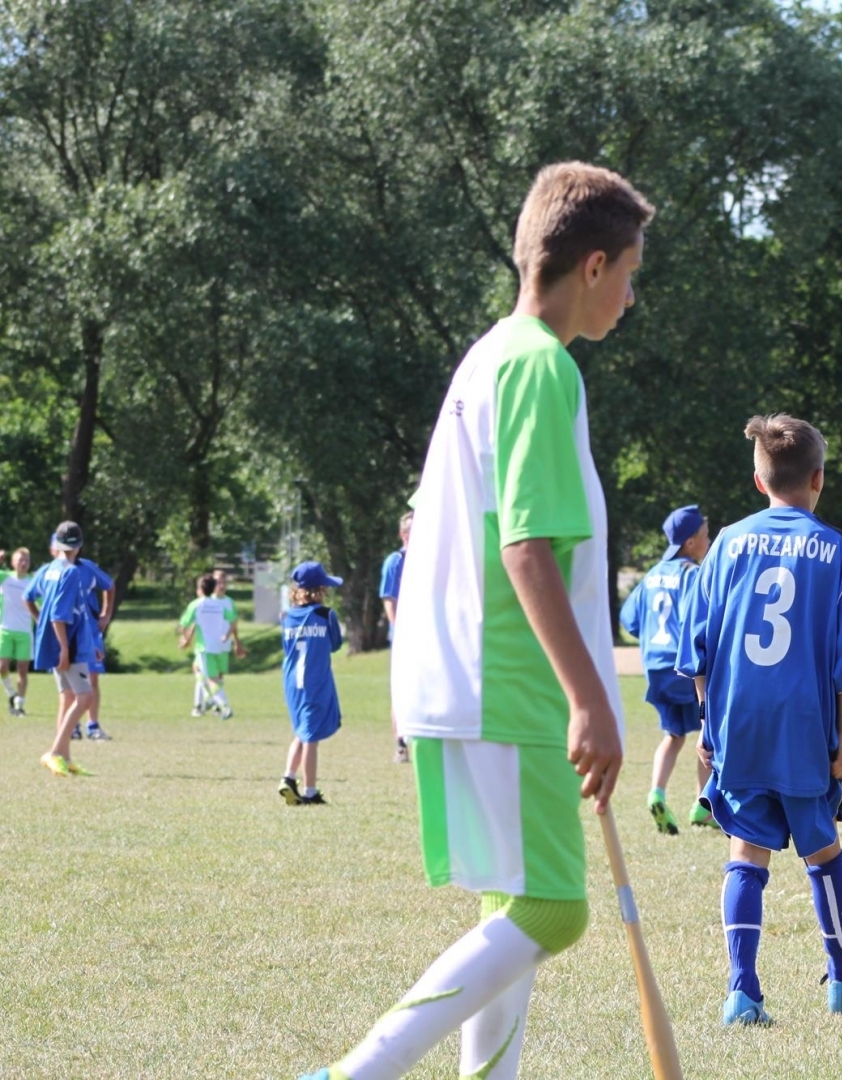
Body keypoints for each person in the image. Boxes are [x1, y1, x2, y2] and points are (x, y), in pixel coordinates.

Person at [296, 161, 650, 1080]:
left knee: (515, 906)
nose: (632, 296)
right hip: (510, 680)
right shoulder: (541, 367)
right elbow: (527, 549)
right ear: (596, 264)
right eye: (633, 274)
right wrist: (589, 699)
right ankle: (353, 1074)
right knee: (553, 913)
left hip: (460, 675)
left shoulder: (487, 355)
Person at [677, 413, 842, 1026]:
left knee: (747, 852)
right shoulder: (840, 551)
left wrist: (711, 730)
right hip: (804, 726)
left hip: (739, 723)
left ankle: (743, 992)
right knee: (822, 852)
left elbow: (699, 650)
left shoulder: (725, 548)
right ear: (818, 479)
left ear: (758, 480)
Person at [619, 503, 714, 835]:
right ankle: (704, 806)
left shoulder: (651, 575)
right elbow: (704, 620)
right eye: (704, 534)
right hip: (686, 668)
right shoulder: (693, 574)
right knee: (708, 734)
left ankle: (656, 792)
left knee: (673, 735)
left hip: (656, 669)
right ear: (689, 543)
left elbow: (629, 620)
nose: (709, 539)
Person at [31, 523, 99, 777]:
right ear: (79, 545)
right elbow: (60, 615)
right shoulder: (70, 572)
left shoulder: (49, 570)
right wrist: (64, 649)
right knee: (85, 697)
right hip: (67, 643)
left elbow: (37, 602)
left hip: (54, 641)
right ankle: (56, 752)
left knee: (70, 697)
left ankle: (66, 758)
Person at [279, 562, 345, 807]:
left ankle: (288, 777)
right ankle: (309, 792)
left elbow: (286, 648)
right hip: (315, 680)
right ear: (319, 589)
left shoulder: (285, 616)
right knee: (311, 738)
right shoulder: (326, 615)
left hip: (291, 681)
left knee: (303, 730)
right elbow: (336, 644)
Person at [179, 574, 245, 719]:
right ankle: (207, 703)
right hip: (220, 646)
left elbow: (184, 624)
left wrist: (186, 639)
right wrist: (227, 636)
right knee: (206, 674)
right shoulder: (218, 605)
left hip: (205, 647)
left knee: (210, 678)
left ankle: (223, 706)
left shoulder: (196, 604)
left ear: (200, 589)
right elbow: (233, 620)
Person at [379, 510, 412, 764]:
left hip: (427, 635)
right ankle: (401, 745)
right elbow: (389, 599)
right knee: (401, 690)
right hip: (403, 634)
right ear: (403, 534)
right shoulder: (395, 561)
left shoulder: (428, 557)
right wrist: (398, 629)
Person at [76, 554, 116, 740]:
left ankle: (92, 725)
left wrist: (106, 615)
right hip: (68, 632)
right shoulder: (53, 571)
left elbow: (109, 585)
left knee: (92, 679)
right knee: (70, 683)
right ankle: (72, 726)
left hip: (90, 632)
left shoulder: (87, 567)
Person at [1, 547, 35, 715]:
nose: (23, 563)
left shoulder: (32, 582)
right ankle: (11, 693)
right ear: (13, 563)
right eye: (20, 560)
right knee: (2, 667)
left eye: (26, 560)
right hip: (5, 630)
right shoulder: (5, 578)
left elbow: (41, 605)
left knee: (23, 669)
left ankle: (19, 705)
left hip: (25, 632)